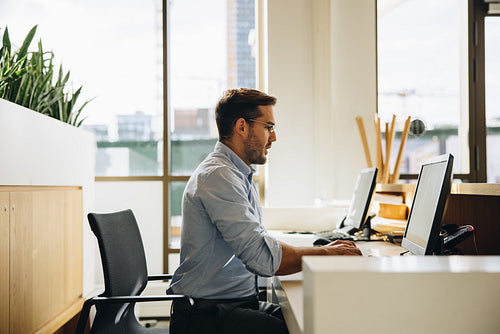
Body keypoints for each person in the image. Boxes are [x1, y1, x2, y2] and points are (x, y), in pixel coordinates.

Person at [167, 88, 361, 334]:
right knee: (301, 327)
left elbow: (257, 241)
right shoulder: (219, 176)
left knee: (316, 319)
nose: (274, 137)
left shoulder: (237, 174)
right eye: (268, 127)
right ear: (242, 127)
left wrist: (320, 251)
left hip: (231, 304)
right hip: (206, 316)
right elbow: (261, 257)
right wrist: (323, 253)